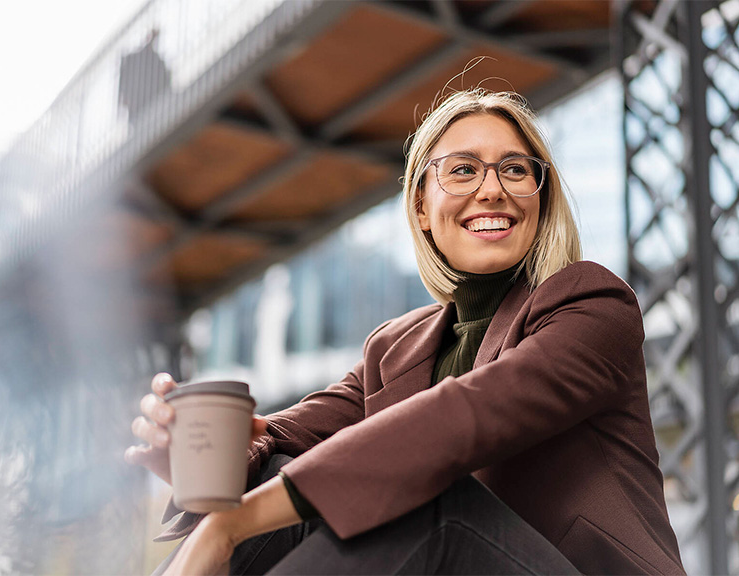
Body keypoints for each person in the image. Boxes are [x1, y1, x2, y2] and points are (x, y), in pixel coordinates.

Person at [126, 88, 686, 575]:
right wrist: (200, 454)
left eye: (515, 170)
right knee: (278, 475)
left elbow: (461, 417)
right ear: (421, 205)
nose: (492, 190)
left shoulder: (592, 304)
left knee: (430, 503)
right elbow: (280, 442)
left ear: (540, 198)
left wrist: (229, 526)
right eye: (463, 169)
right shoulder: (393, 349)